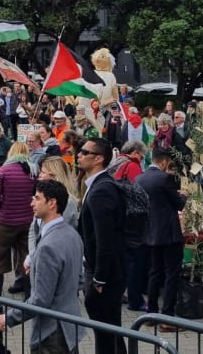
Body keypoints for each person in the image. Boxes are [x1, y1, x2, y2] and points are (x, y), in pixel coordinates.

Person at [0, 179, 85, 353]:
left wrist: (9, 317)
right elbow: (80, 279)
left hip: (51, 332)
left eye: (37, 198)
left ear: (52, 203)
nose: (31, 202)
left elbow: (41, 299)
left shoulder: (48, 246)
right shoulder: (73, 235)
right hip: (70, 326)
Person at [77, 137, 127, 354]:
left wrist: (99, 278)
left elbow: (104, 238)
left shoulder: (102, 190)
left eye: (84, 152)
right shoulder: (96, 185)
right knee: (110, 327)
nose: (79, 154)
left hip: (105, 274)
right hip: (104, 269)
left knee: (105, 329)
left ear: (98, 159)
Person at [136, 148, 188, 329]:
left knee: (154, 272)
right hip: (169, 233)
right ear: (164, 162)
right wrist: (184, 196)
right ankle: (168, 318)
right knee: (171, 274)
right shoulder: (165, 178)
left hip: (150, 233)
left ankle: (151, 313)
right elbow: (178, 204)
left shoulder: (140, 178)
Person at [0, 141, 36, 304]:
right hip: (27, 221)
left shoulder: (4, 171)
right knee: (26, 257)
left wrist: (2, 206)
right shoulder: (33, 171)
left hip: (6, 220)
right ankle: (28, 296)